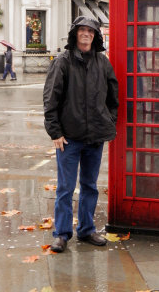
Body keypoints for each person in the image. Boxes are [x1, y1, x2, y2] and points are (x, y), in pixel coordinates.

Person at [43, 16, 119, 253]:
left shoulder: (103, 63)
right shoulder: (63, 62)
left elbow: (113, 97)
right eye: (82, 31)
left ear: (96, 36)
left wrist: (108, 120)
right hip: (69, 138)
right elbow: (50, 99)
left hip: (95, 137)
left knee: (90, 186)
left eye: (90, 31)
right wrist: (55, 132)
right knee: (65, 188)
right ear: (75, 34)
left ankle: (86, 230)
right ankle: (61, 234)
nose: (86, 34)